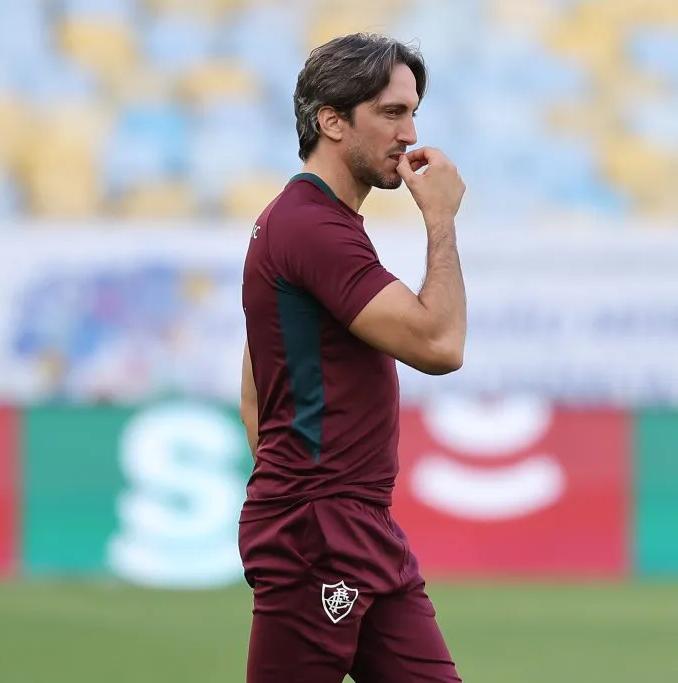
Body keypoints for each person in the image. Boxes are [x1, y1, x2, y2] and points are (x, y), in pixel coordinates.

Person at [237, 32, 467, 683]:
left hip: (355, 523)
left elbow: (255, 387)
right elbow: (440, 345)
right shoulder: (311, 227)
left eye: (412, 112)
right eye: (391, 113)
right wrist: (442, 221)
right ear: (332, 121)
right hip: (320, 530)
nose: (409, 133)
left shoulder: (309, 222)